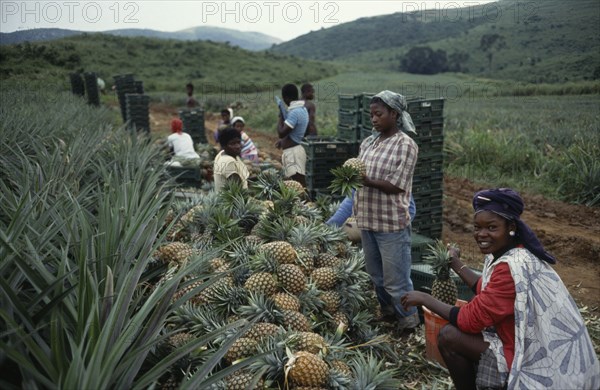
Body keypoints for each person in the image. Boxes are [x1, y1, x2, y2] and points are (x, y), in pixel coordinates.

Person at [401, 188, 600, 390]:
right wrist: (455, 263)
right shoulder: (510, 251)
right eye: (477, 227)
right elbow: (487, 288)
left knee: (449, 336)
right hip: (520, 337)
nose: (481, 234)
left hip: (529, 355)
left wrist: (425, 298)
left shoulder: (510, 266)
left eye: (491, 227)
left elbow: (469, 320)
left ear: (511, 227)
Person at [352, 90, 419, 331]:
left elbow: (396, 186)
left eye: (379, 114)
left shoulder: (406, 145)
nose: (374, 119)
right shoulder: (368, 142)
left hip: (391, 224)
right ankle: (388, 312)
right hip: (368, 221)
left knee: (396, 281)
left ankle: (409, 319)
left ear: (394, 113)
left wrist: (364, 179)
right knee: (376, 277)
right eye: (371, 115)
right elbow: (358, 176)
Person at [277, 84, 309, 187]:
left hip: (294, 153)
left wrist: (281, 115)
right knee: (296, 186)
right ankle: (306, 202)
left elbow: (281, 133)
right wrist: (283, 142)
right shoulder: (302, 109)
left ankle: (308, 203)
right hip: (293, 151)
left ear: (286, 98)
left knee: (299, 185)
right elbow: (297, 131)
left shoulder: (295, 112)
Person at [213, 127, 249, 193]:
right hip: (232, 202)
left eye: (238, 142)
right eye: (232, 144)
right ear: (224, 146)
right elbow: (238, 190)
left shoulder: (221, 154)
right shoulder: (229, 162)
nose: (238, 146)